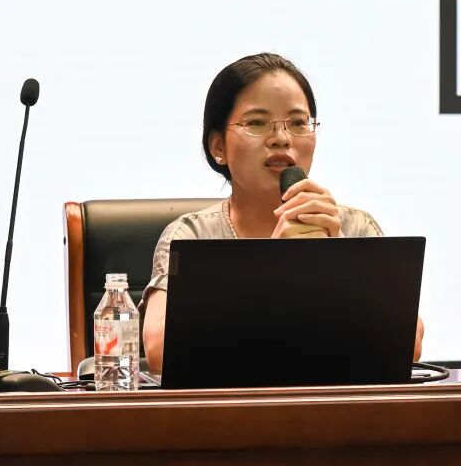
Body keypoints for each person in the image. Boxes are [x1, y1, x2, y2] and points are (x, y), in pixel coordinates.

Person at [140, 53, 424, 373]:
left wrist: (340, 261)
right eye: (256, 123)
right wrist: (273, 266)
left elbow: (409, 345)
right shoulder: (193, 235)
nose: (281, 139)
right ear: (218, 146)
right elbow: (159, 351)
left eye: (299, 123)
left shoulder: (353, 227)